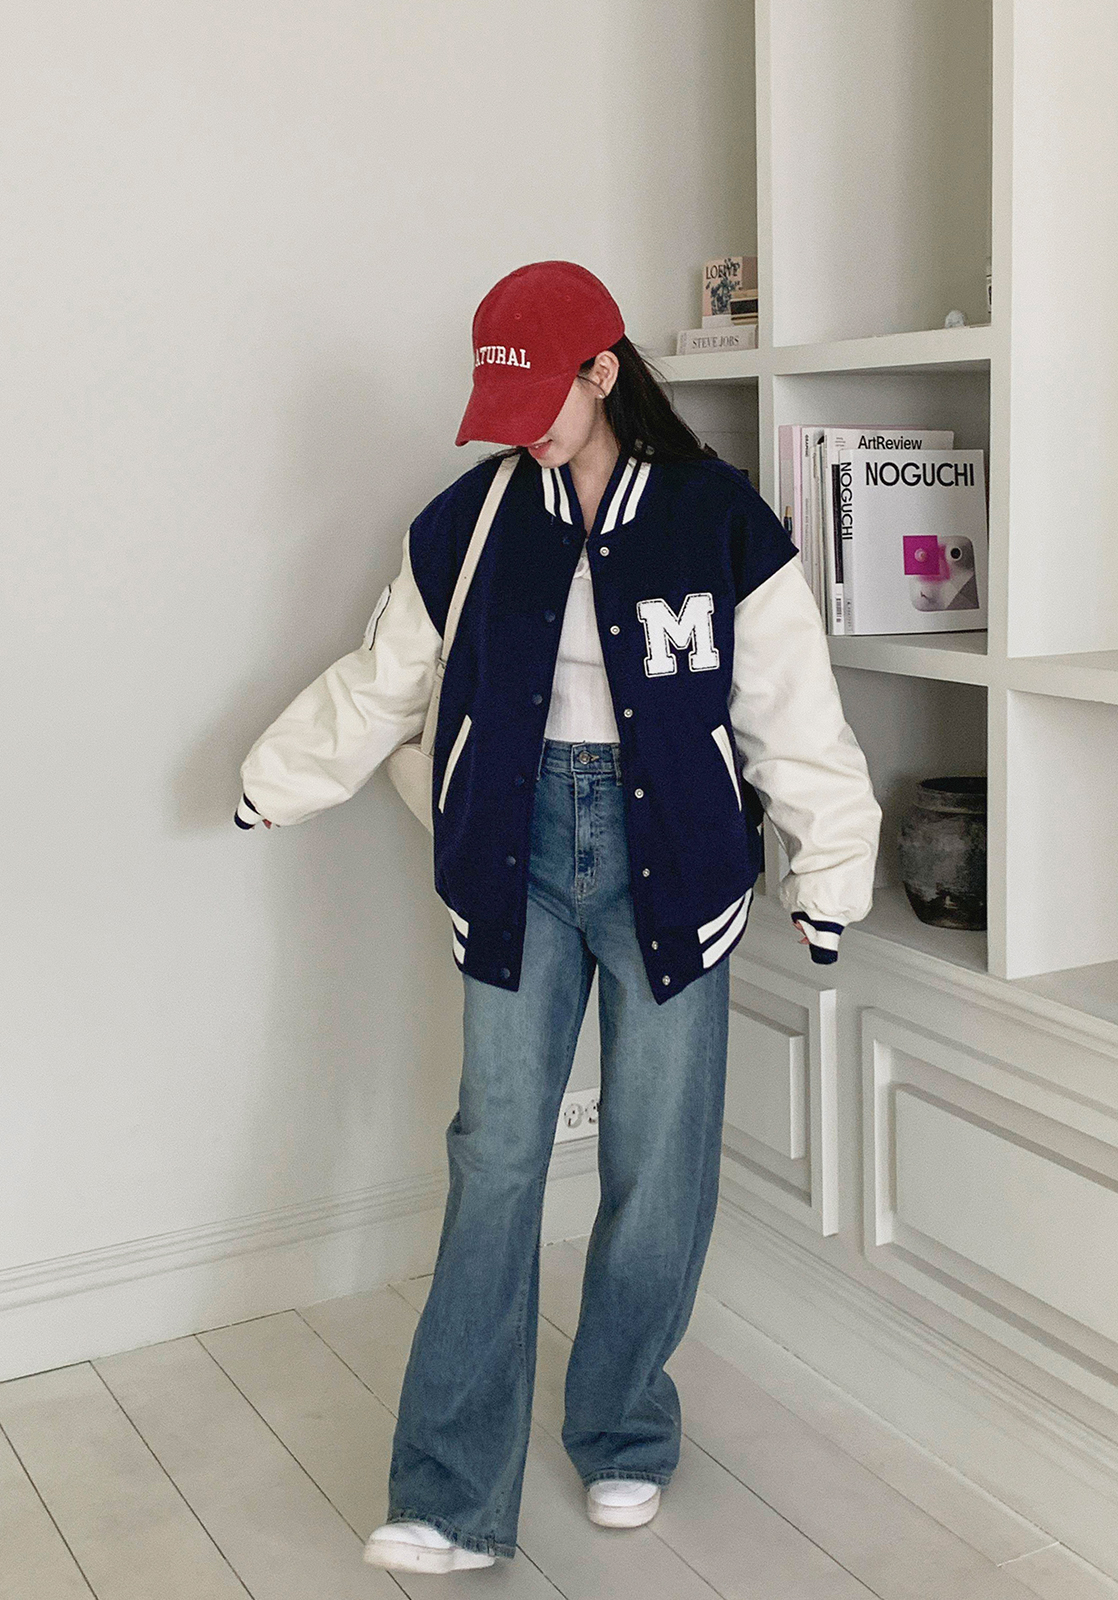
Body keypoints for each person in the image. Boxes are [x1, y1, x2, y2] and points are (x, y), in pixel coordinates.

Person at [234, 260, 881, 1575]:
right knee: (497, 1158)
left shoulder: (716, 519)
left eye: (541, 398)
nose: (521, 429)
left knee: (658, 1164)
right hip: (514, 855)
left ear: (603, 370)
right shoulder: (471, 519)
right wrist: (277, 781)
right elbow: (384, 680)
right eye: (503, 405)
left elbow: (790, 708)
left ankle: (625, 1431)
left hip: (675, 865)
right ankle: (448, 1493)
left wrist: (832, 872)